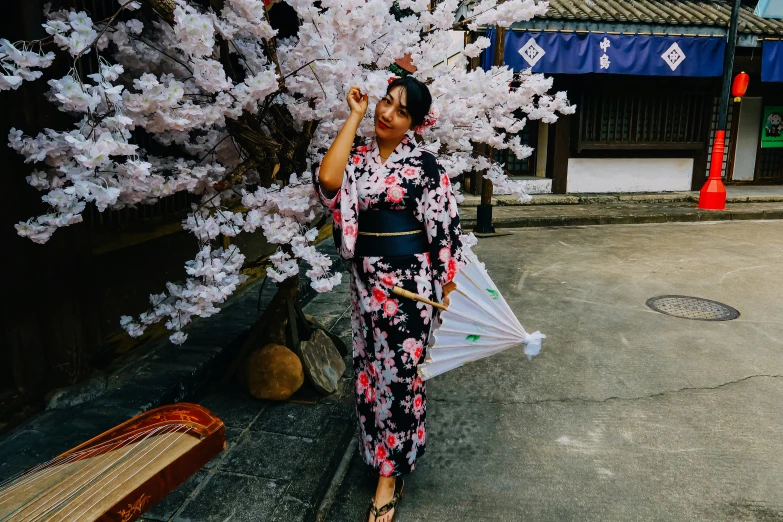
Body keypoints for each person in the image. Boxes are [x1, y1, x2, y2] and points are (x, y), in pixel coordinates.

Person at [314, 76, 465, 522]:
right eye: (386, 102)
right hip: (366, 285)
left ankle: (388, 475)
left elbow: (445, 236)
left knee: (400, 376)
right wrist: (354, 116)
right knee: (370, 374)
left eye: (401, 111)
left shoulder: (426, 167)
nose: (387, 113)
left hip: (411, 289)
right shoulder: (358, 157)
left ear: (415, 124)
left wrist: (448, 292)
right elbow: (327, 182)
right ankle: (381, 454)